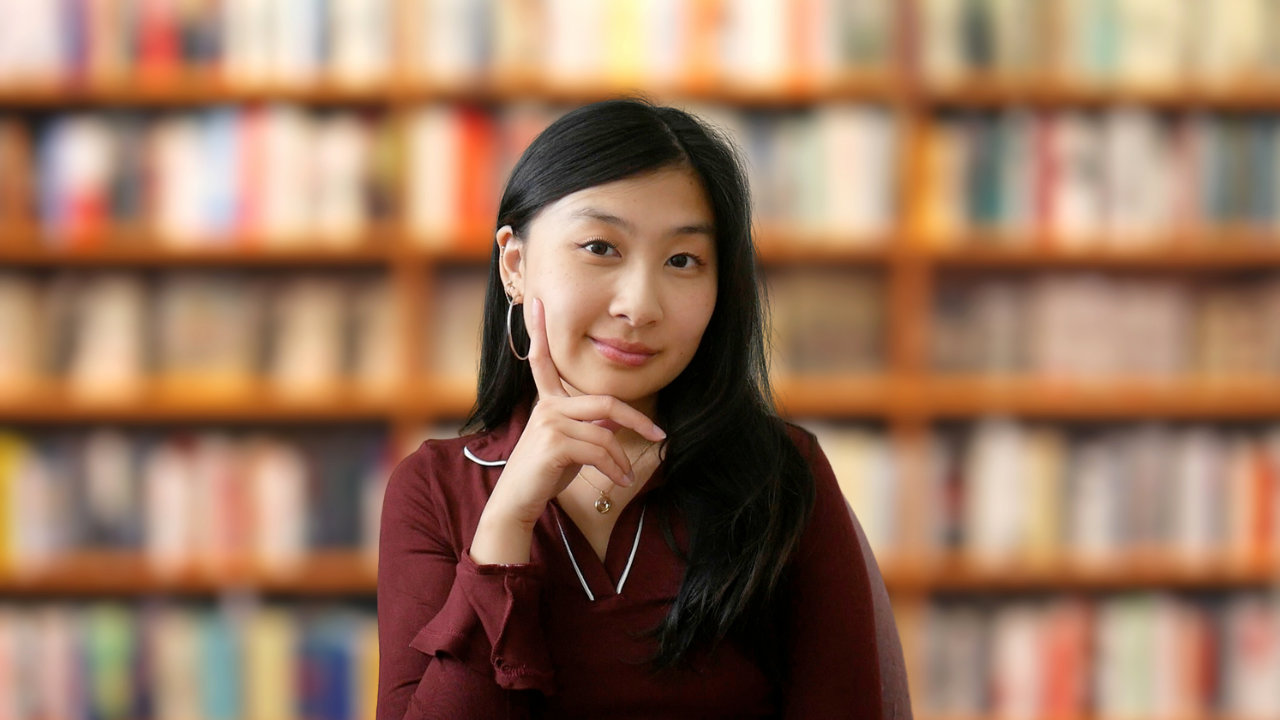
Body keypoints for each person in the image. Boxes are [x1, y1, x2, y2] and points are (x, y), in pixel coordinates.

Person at [376, 97, 910, 719]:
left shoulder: (781, 477)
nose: (640, 305)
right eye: (601, 247)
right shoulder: (434, 489)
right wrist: (506, 523)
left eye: (683, 260)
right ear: (515, 266)